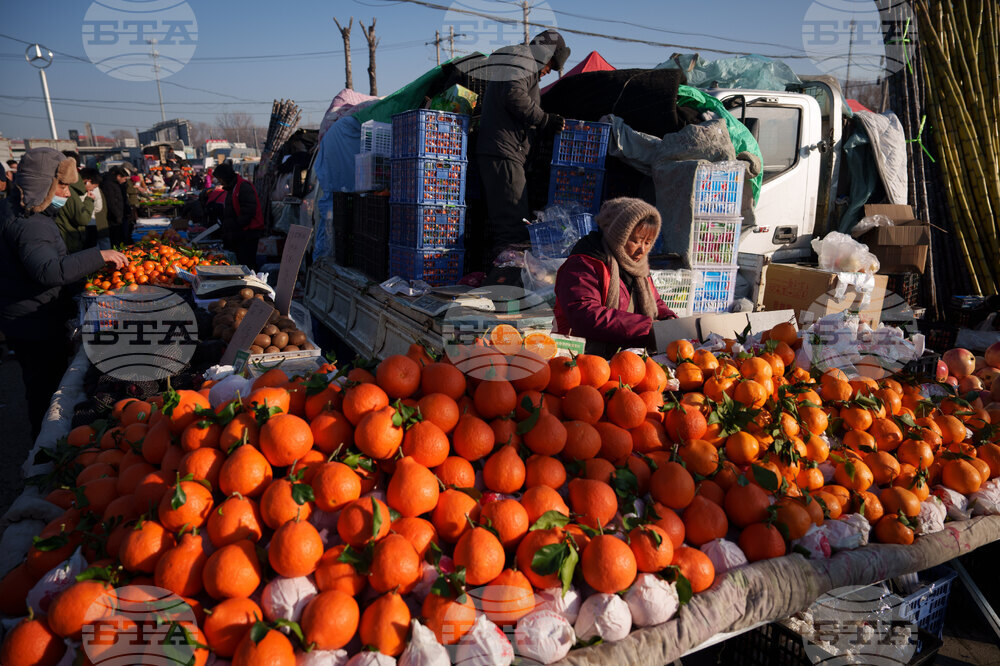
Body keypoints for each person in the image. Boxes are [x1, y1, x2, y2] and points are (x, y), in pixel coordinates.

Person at [0, 148, 128, 436]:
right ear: (41, 183)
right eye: (62, 186)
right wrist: (99, 256)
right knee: (45, 390)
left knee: (39, 384)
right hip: (33, 321)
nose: (68, 194)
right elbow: (48, 271)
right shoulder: (31, 223)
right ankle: (44, 449)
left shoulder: (16, 208)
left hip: (22, 315)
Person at [477, 29, 571, 269]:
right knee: (511, 224)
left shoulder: (521, 59)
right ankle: (504, 280)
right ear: (546, 54)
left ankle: (501, 275)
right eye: (552, 63)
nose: (549, 70)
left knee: (507, 220)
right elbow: (514, 95)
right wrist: (545, 119)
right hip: (504, 151)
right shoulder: (524, 59)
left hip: (504, 150)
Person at [554, 197, 676, 355]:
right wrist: (647, 327)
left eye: (648, 243)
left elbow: (655, 302)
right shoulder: (583, 264)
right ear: (618, 235)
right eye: (636, 241)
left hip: (627, 356)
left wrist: (669, 321)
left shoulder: (638, 267)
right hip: (583, 358)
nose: (642, 250)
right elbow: (585, 314)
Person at [213, 161, 265, 267]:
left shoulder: (243, 187)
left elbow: (248, 212)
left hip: (248, 233)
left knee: (247, 263)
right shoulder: (232, 188)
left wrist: (235, 228)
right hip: (240, 233)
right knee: (241, 262)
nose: (220, 182)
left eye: (220, 179)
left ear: (224, 177)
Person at [54, 154, 94, 252]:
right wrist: (89, 201)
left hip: (70, 242)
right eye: (63, 187)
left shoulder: (71, 191)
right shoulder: (72, 192)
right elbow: (82, 218)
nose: (67, 193)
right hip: (69, 243)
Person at [80, 168, 110, 249]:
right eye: (94, 186)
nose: (93, 189)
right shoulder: (91, 191)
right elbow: (98, 207)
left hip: (86, 224)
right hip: (90, 222)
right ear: (88, 181)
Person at [100, 166, 129, 246]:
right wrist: (118, 216)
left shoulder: (116, 184)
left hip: (118, 217)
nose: (125, 181)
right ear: (119, 176)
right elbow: (111, 202)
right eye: (124, 179)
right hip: (113, 219)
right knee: (116, 240)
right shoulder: (108, 184)